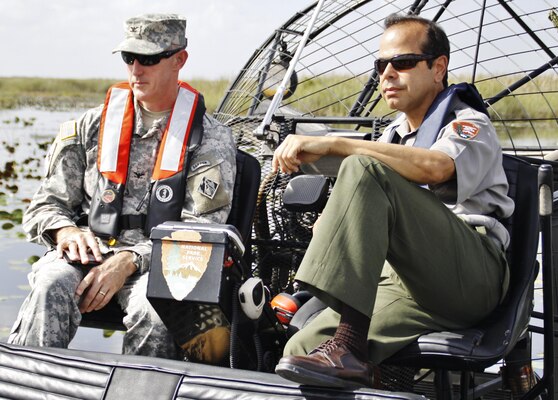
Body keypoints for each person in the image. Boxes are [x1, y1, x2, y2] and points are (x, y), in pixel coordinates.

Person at [272, 13, 513, 388]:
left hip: (469, 278)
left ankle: (347, 345)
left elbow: (436, 168)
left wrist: (336, 143)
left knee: (363, 168)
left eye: (401, 63)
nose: (386, 75)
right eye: (380, 65)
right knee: (300, 351)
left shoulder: (468, 123)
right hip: (407, 285)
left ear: (438, 68)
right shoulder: (393, 136)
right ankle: (345, 352)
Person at [8, 13, 237, 364]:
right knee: (50, 284)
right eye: (129, 58)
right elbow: (45, 205)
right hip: (89, 252)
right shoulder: (90, 125)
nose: (135, 70)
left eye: (148, 59)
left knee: (155, 311)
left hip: (159, 263)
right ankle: (29, 383)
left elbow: (200, 232)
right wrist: (66, 230)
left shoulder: (211, 139)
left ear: (179, 60)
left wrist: (129, 261)